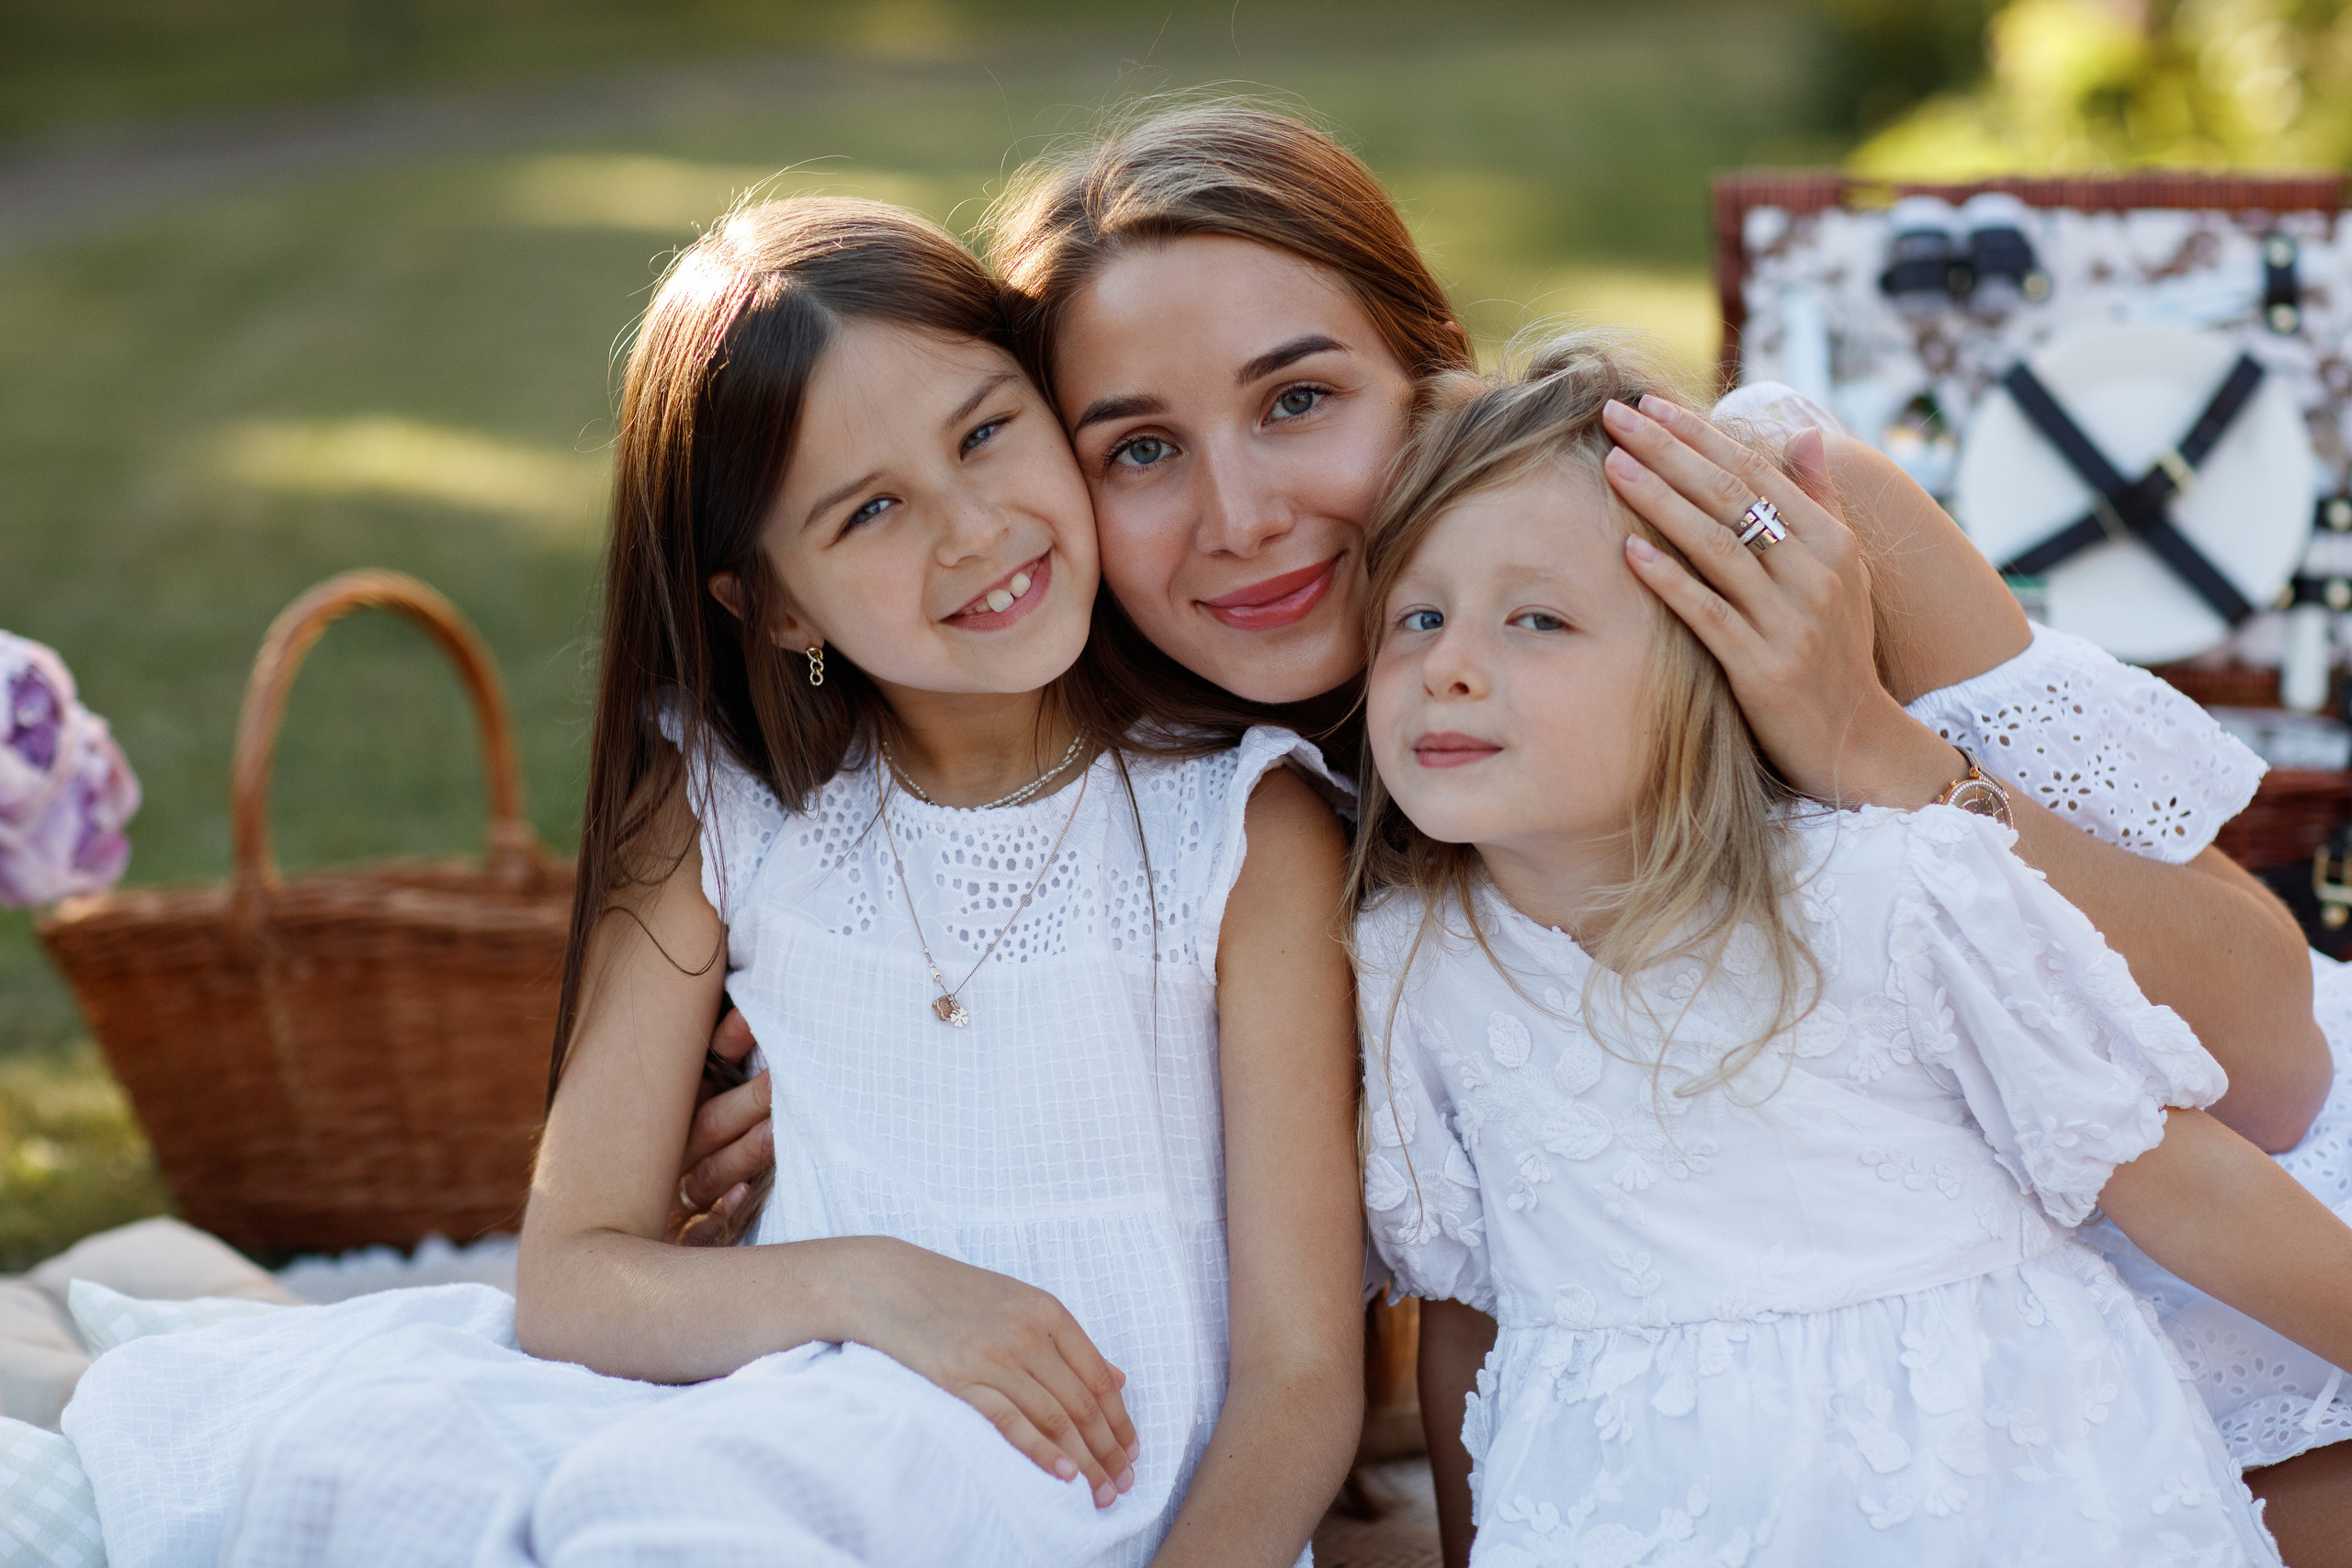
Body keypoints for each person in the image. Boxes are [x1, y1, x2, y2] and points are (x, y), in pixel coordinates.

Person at [676, 98, 2349, 1562]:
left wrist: (1855, 739)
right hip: (1705, 1364)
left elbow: (2271, 1068)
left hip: (2173, 1249)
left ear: (1429, 369)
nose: (1243, 515)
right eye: (1140, 450)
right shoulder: (1154, 785)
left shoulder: (1749, 517)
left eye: (1298, 399)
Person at [61, 196, 1363, 1568]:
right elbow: (571, 1276)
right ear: (776, 605)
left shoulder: (1240, 831)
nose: (974, 529)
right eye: (871, 511)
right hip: (797, 1411)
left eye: (985, 432)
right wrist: (874, 1286)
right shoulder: (729, 814)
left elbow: (1300, 1375)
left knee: (651, 1520)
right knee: (357, 1452)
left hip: (1069, 1478)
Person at [1355, 333, 2352, 1565]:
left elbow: (2178, 1178)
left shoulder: (1884, 889)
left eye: (1539, 622)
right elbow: (1469, 1308)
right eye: (1418, 618)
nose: (1448, 668)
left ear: (1704, 668)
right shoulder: (1415, 965)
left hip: (1995, 1498)